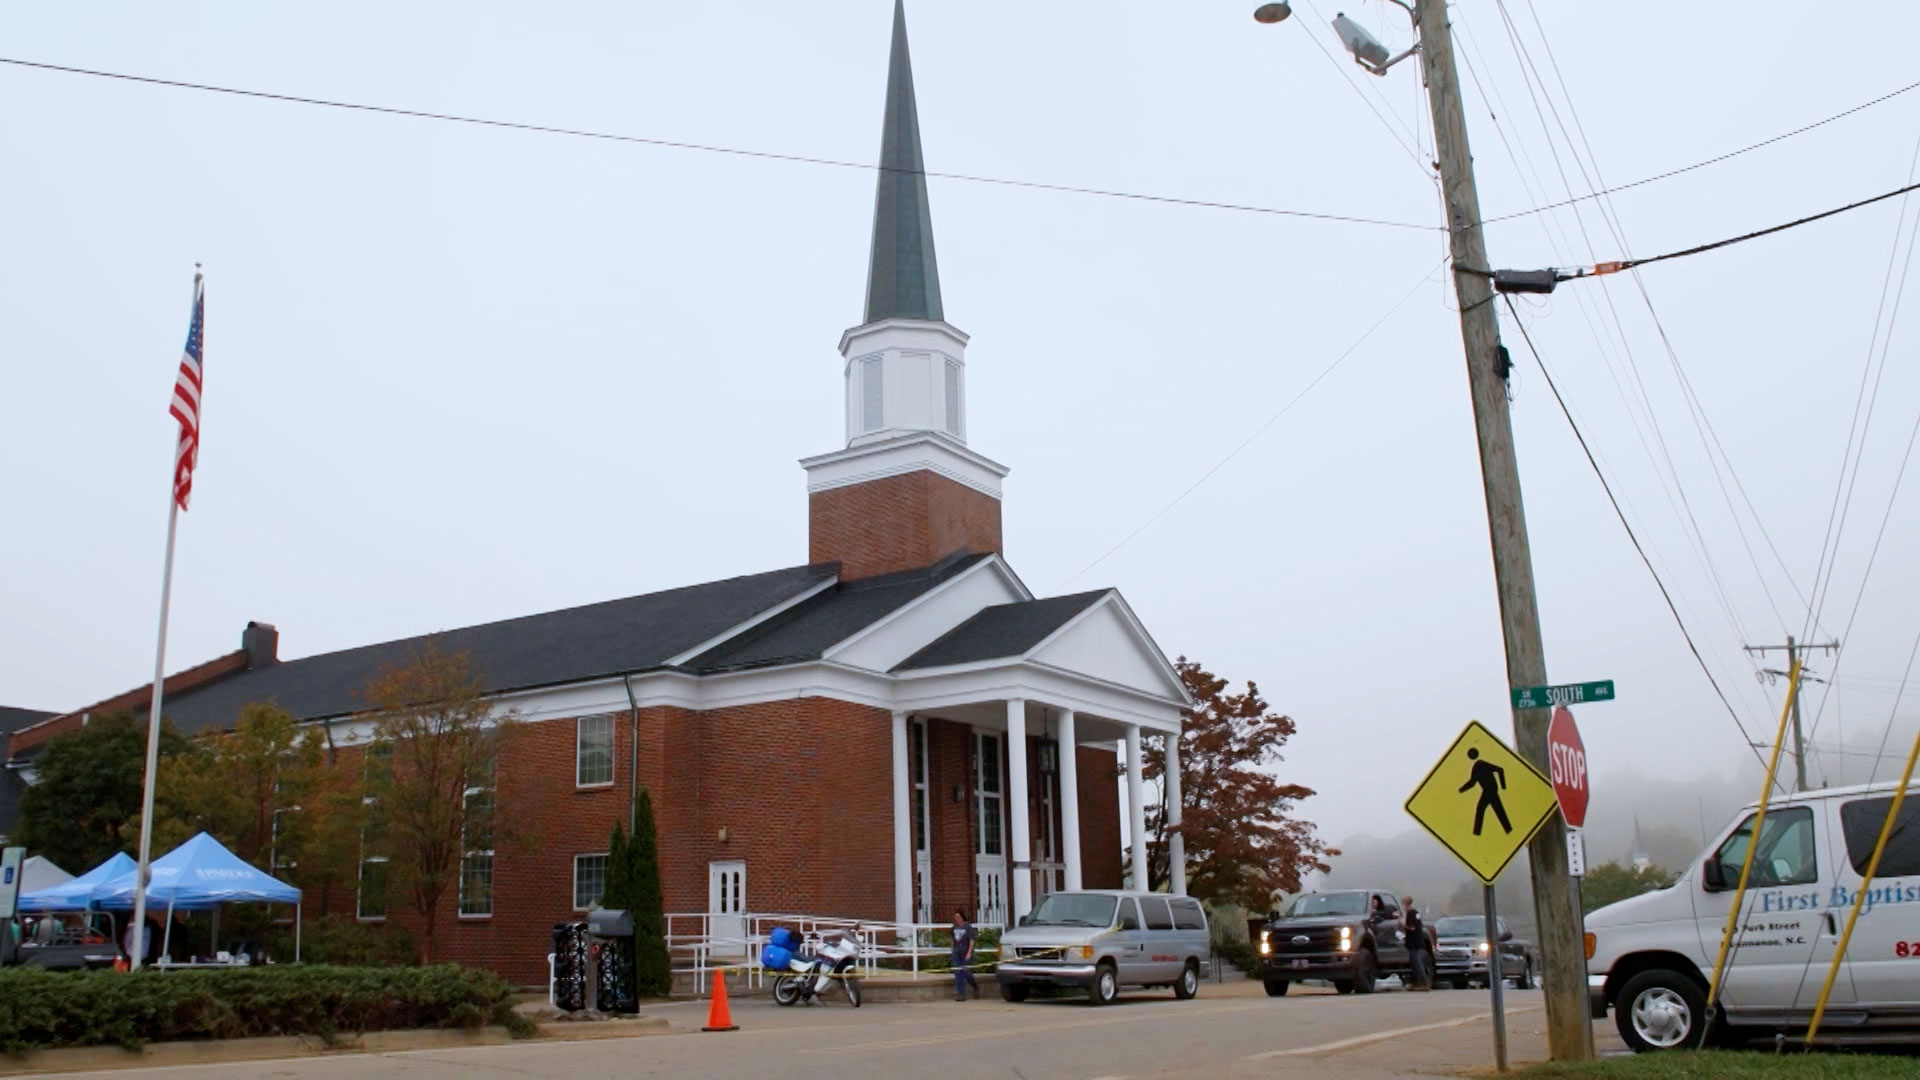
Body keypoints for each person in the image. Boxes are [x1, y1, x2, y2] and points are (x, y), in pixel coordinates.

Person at [1401, 895, 1434, 992]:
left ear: (1406, 904)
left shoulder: (1411, 913)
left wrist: (1403, 925)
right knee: (1415, 963)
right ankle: (1418, 983)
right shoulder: (1416, 913)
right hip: (1418, 941)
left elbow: (1412, 927)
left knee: (1417, 963)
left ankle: (1424, 983)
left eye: (1403, 904)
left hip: (1413, 942)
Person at [950, 910, 980, 1001]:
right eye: (955, 917)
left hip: (965, 951)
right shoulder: (954, 927)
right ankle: (960, 994)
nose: (957, 919)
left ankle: (975, 986)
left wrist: (969, 952)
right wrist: (952, 950)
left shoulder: (968, 927)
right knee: (958, 973)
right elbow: (952, 939)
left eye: (958, 917)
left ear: (962, 917)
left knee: (966, 972)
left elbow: (971, 940)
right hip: (956, 952)